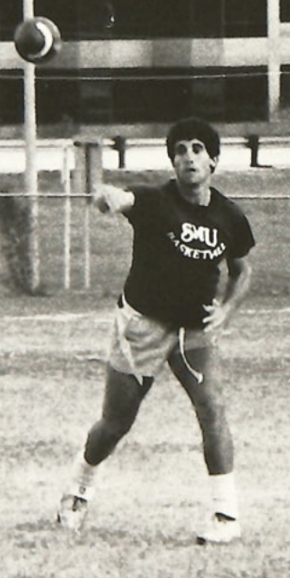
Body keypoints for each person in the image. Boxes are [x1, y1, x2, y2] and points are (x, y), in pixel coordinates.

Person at [55, 117, 256, 545]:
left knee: (212, 409)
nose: (189, 156)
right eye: (180, 149)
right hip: (142, 324)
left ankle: (226, 515)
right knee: (115, 422)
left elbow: (242, 270)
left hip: (194, 331)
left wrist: (227, 310)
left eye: (198, 148)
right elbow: (122, 197)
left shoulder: (229, 216)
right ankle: (78, 490)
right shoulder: (154, 200)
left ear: (214, 160)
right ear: (172, 161)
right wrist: (107, 196)